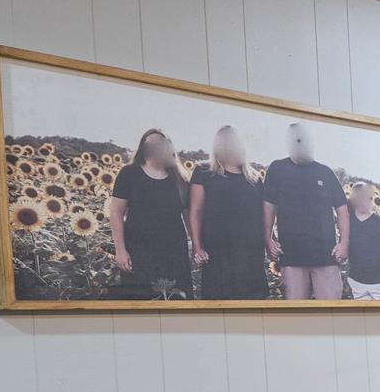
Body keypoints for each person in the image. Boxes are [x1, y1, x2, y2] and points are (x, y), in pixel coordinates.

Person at [261, 122, 349, 301]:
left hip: (326, 256)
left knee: (332, 312)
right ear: (289, 142)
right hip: (291, 255)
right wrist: (268, 239)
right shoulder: (277, 169)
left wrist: (344, 243)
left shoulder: (325, 172)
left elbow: (342, 209)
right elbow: (268, 207)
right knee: (296, 313)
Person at [104, 127, 192, 300]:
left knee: (177, 301)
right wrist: (120, 250)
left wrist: (196, 245)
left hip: (174, 252)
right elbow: (116, 212)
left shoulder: (179, 179)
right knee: (141, 302)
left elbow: (187, 215)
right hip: (139, 251)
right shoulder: (129, 173)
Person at [189, 124, 269, 300]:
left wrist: (269, 242)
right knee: (219, 301)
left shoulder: (254, 178)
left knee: (253, 304)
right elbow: (195, 210)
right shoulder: (203, 172)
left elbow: (263, 216)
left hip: (250, 252)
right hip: (218, 250)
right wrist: (196, 245)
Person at [343, 181, 380, 301]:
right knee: (363, 318)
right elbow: (344, 245)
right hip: (357, 282)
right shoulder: (348, 222)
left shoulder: (378, 222)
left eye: (369, 198)